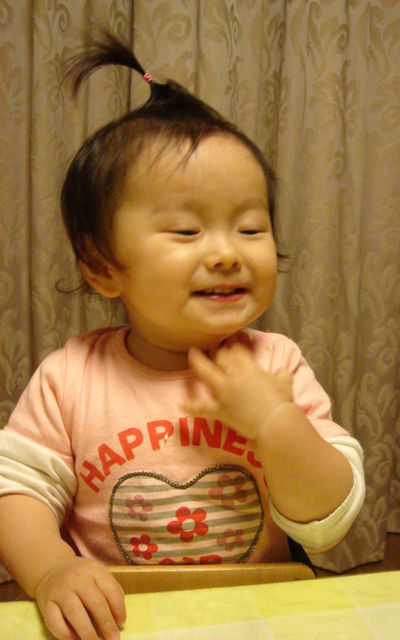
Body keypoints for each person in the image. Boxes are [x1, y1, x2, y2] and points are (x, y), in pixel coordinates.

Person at [0, 31, 365, 640]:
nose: (226, 253)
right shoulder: (70, 376)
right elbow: (15, 490)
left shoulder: (277, 364)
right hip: (118, 616)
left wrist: (275, 421)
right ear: (101, 266)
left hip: (255, 612)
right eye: (187, 232)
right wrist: (51, 569)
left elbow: (328, 523)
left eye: (250, 228)